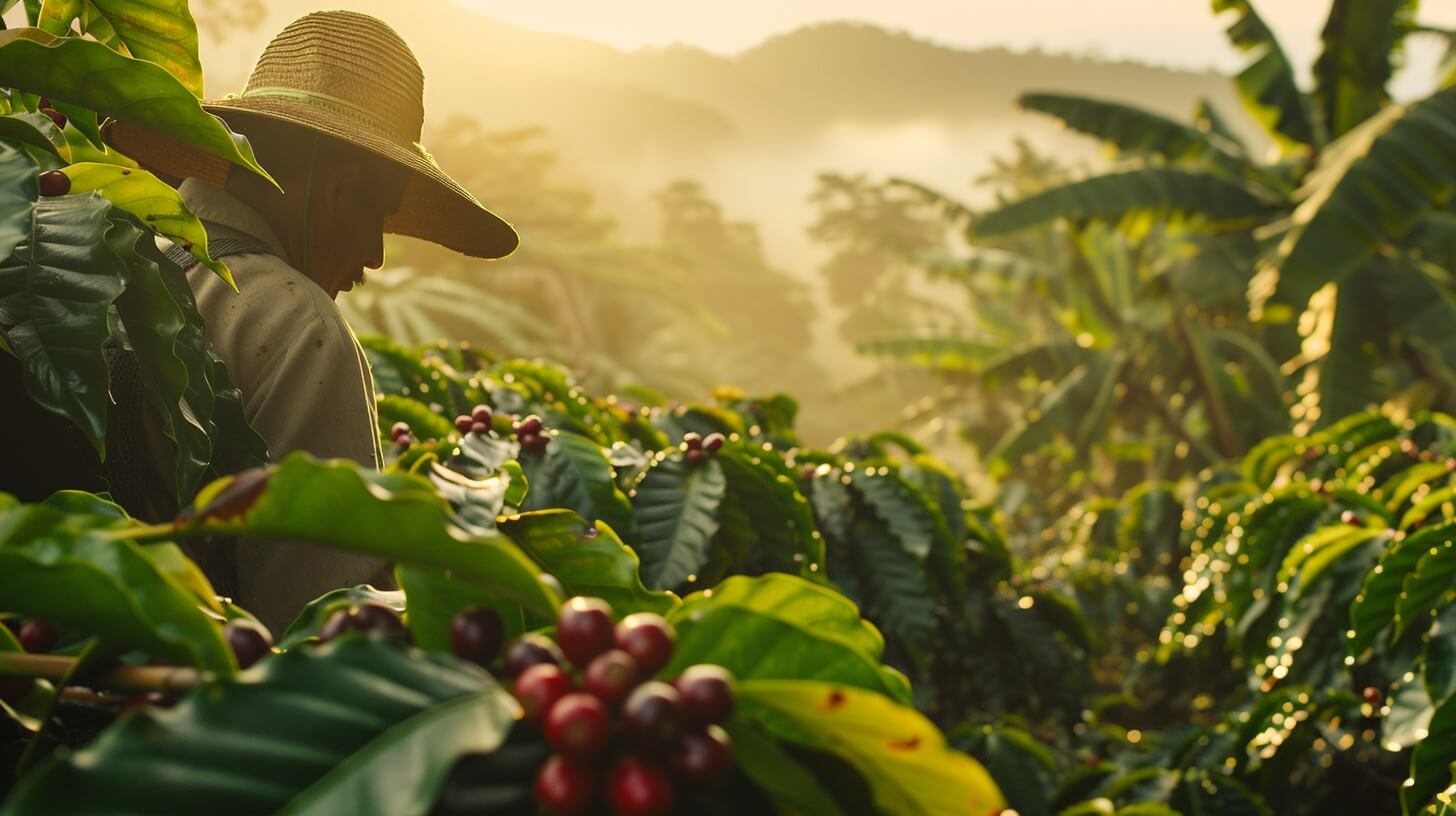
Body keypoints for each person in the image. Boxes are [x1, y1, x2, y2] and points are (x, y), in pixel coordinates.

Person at [103, 10, 518, 632]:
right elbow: (325, 628)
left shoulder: (98, 262)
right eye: (378, 216)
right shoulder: (301, 327)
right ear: (340, 190)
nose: (375, 255)